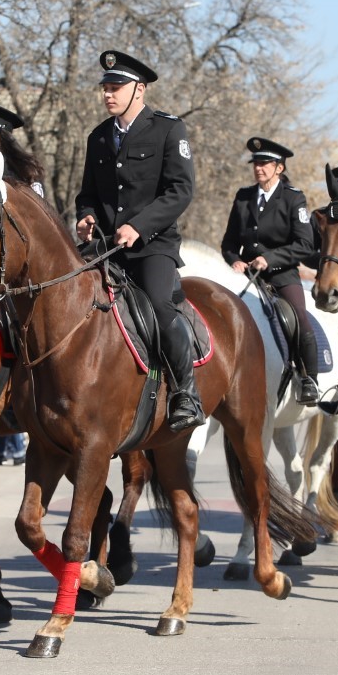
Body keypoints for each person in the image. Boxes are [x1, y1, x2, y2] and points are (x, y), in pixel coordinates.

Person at [74, 50, 203, 432]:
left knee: (162, 307)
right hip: (105, 245)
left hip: (152, 246)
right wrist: (86, 217)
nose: (107, 94)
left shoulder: (168, 129)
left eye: (116, 87)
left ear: (139, 90)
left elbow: (181, 190)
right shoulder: (98, 137)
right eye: (105, 88)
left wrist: (140, 226)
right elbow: (88, 194)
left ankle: (185, 393)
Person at [221, 137, 319, 404]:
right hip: (246, 276)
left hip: (281, 275)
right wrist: (234, 260)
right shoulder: (243, 197)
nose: (258, 168)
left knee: (299, 316)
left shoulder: (293, 198)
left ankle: (310, 378)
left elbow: (305, 244)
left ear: (280, 168)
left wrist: (270, 258)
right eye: (256, 163)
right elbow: (229, 242)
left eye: (265, 164)